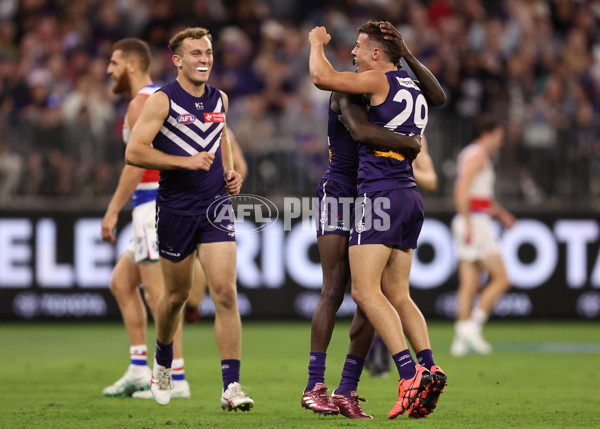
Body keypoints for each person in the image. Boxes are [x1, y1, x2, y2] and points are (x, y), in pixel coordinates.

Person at [309, 21, 447, 419]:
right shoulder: (411, 85)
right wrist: (410, 143)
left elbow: (324, 81)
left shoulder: (374, 81)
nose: (352, 52)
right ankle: (429, 366)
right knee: (395, 293)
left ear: (374, 55)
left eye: (358, 46)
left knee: (365, 294)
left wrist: (316, 42)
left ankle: (408, 375)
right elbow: (437, 96)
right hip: (408, 194)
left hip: (378, 194)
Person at [124, 27, 253, 411]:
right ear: (177, 60)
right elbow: (134, 152)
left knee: (226, 293)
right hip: (176, 210)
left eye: (209, 53)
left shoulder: (220, 99)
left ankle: (232, 387)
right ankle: (163, 361)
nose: (205, 59)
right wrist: (185, 161)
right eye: (196, 53)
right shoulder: (162, 101)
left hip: (215, 207)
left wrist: (230, 172)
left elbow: (221, 137)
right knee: (175, 297)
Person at [101, 37, 195, 400]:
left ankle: (174, 375)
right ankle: (140, 368)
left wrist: (112, 210)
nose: (109, 70)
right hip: (154, 205)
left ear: (132, 64)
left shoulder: (142, 102)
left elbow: (134, 161)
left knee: (163, 294)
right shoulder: (160, 98)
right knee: (122, 284)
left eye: (113, 62)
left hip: (150, 205)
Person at [365, 134, 438, 378]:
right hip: (395, 202)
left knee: (371, 291)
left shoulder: (412, 135)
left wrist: (399, 169)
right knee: (386, 293)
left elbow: (430, 179)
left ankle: (386, 355)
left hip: (389, 202)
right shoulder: (377, 126)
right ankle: (428, 366)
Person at [450, 114, 515, 357]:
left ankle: (460, 339)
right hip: (476, 222)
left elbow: (479, 196)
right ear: (487, 134)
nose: (501, 141)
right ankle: (472, 326)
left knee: (469, 285)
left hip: (475, 218)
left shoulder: (470, 153)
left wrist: (501, 214)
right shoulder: (477, 155)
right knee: (502, 278)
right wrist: (467, 222)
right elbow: (462, 189)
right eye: (499, 136)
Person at [183, 127, 248, 324]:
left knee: (195, 255)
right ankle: (188, 302)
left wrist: (229, 182)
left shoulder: (222, 131)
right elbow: (242, 168)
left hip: (211, 202)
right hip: (182, 202)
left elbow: (239, 169)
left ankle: (192, 302)